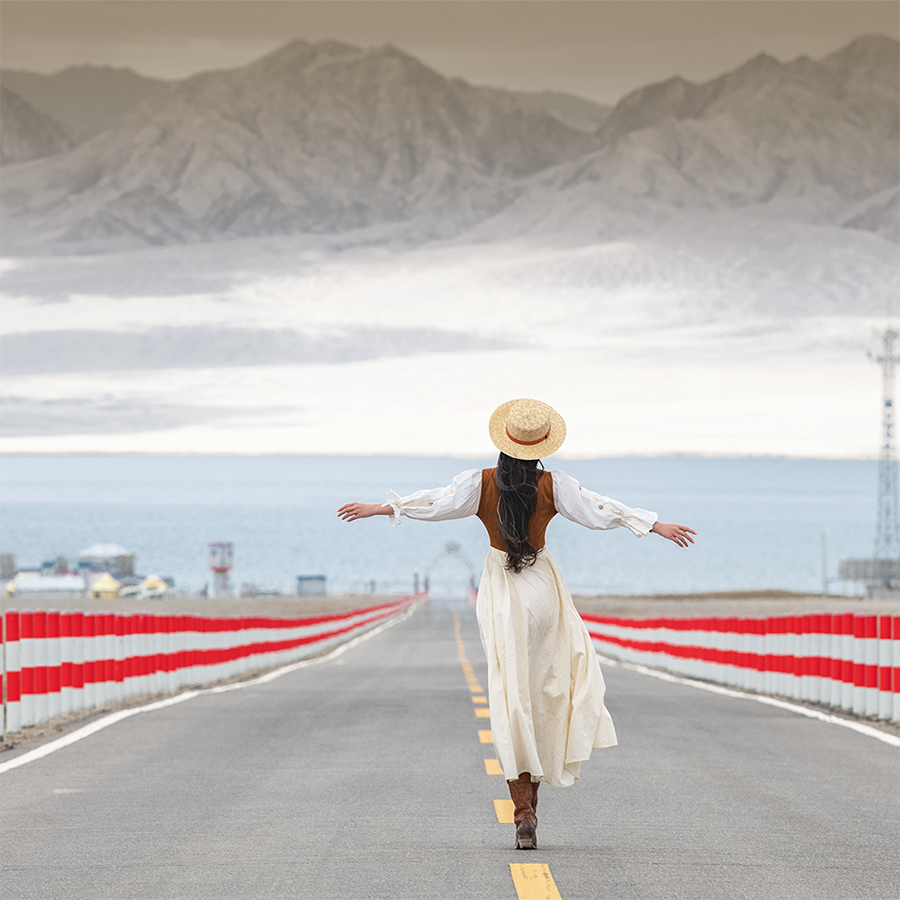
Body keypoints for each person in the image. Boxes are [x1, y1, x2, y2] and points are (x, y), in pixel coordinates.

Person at [337, 398, 696, 850]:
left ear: (502, 442)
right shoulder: (555, 485)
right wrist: (653, 524)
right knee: (547, 689)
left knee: (510, 696)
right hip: (543, 589)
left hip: (502, 593)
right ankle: (534, 802)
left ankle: (522, 809)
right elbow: (598, 508)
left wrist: (384, 507)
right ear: (542, 444)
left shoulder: (479, 483)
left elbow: (437, 502)